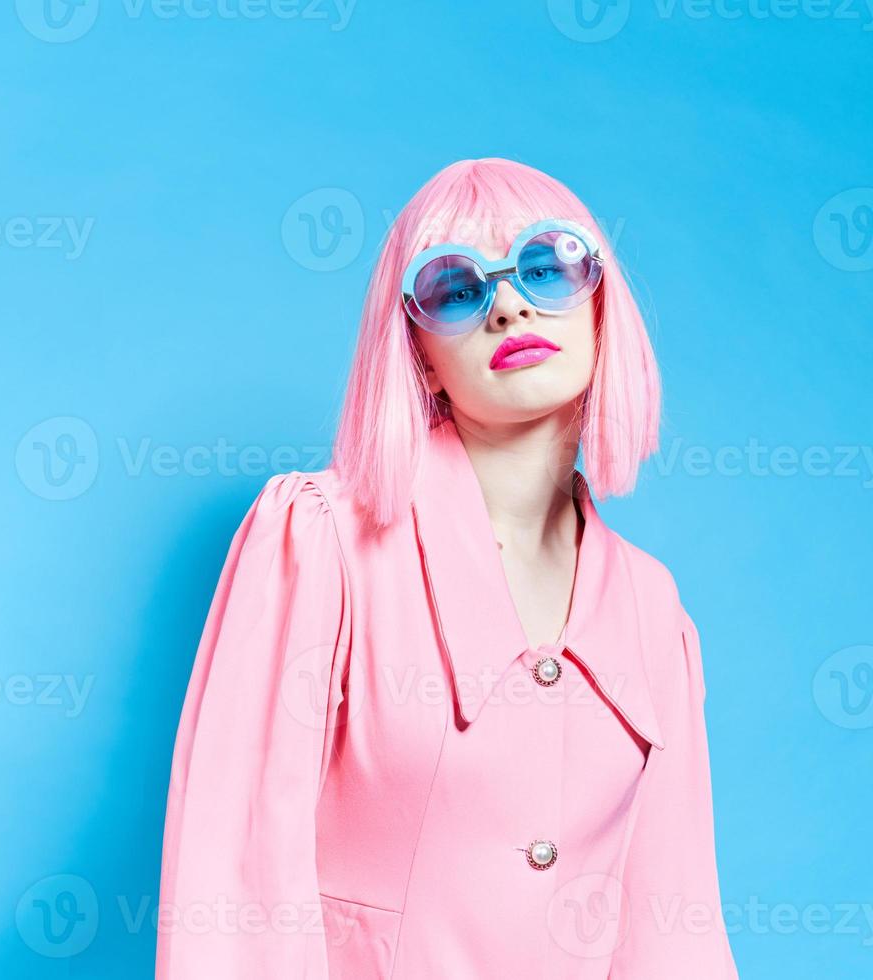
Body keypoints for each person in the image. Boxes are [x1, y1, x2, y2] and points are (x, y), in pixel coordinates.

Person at [156, 157, 739, 979]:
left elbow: (674, 929)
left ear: (604, 310)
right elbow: (236, 890)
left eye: (547, 266)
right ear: (419, 354)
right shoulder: (318, 538)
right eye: (456, 289)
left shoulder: (652, 608)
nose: (509, 303)